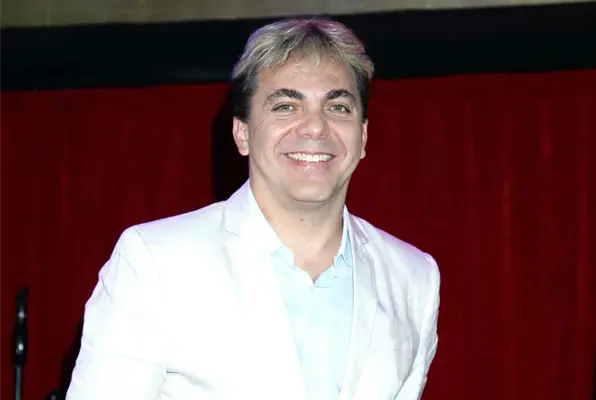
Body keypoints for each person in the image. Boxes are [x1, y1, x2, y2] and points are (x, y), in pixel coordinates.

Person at [65, 17, 440, 400]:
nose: (315, 127)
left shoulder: (414, 278)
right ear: (242, 133)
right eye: (286, 106)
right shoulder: (155, 261)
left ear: (363, 136)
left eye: (338, 106)